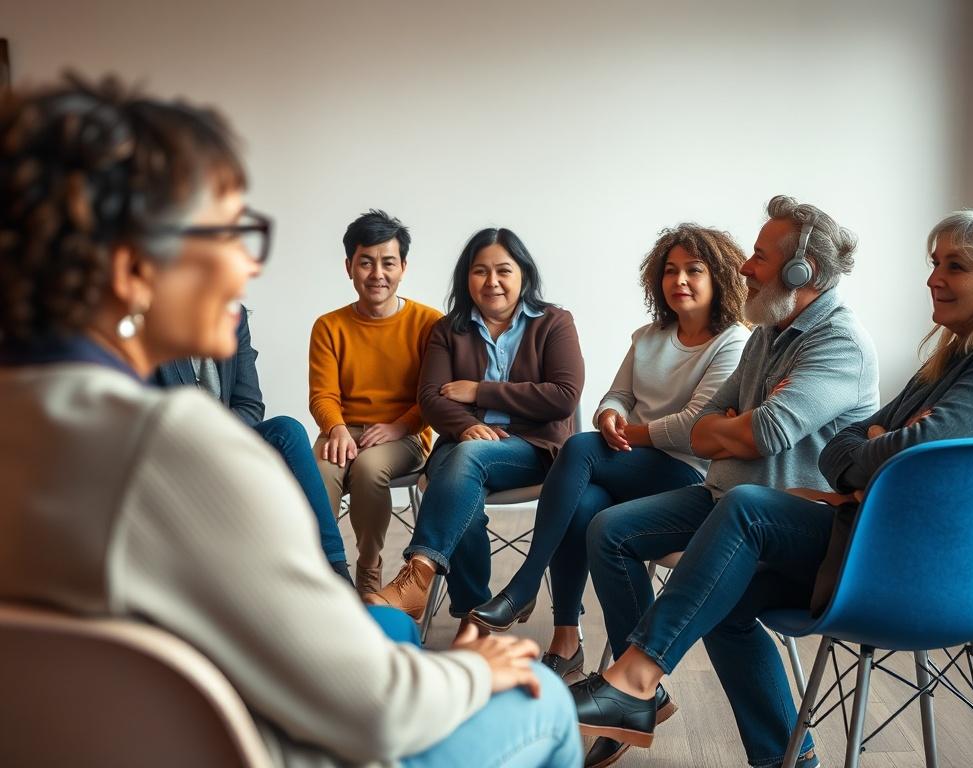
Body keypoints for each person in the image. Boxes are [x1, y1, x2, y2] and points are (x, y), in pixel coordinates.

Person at [0, 75, 581, 768]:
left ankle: (393, 596)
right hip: (284, 743)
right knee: (541, 696)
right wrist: (477, 671)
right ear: (133, 267)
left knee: (384, 625)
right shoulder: (170, 446)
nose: (249, 265)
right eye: (230, 232)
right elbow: (373, 711)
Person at [574, 195, 880, 768]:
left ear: (800, 271)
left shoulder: (837, 343)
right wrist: (732, 426)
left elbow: (762, 433)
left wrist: (734, 425)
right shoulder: (769, 331)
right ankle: (640, 694)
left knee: (730, 572)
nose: (744, 267)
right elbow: (702, 428)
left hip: (790, 517)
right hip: (722, 498)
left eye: (759, 257)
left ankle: (772, 751)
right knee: (607, 530)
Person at [468, 224, 751, 681]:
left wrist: (630, 433)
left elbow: (695, 428)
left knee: (579, 448)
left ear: (718, 277)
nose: (679, 280)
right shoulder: (649, 336)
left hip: (688, 476)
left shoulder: (733, 341)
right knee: (584, 503)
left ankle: (524, 584)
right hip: (630, 461)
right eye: (670, 271)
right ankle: (580, 646)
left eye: (694, 271)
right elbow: (615, 395)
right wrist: (608, 419)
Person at [366, 228, 585, 627]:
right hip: (463, 447)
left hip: (534, 448)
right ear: (466, 278)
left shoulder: (554, 322)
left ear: (524, 274)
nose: (492, 282)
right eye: (480, 271)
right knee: (464, 484)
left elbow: (563, 396)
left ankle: (418, 578)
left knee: (465, 461)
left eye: (503, 270)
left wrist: (480, 391)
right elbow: (431, 398)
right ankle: (475, 615)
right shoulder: (449, 330)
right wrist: (467, 426)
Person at [155, 309, 353, 584]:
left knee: (288, 430)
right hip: (178, 448)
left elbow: (250, 404)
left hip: (227, 437)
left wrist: (219, 435)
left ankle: (336, 571)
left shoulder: (232, 317)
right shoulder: (151, 323)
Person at [309, 210, 442, 595]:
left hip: (405, 434)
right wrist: (335, 429)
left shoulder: (429, 322)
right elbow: (322, 394)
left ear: (403, 267)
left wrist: (401, 426)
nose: (376, 274)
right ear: (349, 266)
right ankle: (320, 573)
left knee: (368, 469)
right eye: (365, 262)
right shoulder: (329, 326)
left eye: (387, 263)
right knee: (319, 472)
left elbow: (432, 394)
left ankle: (369, 567)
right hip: (342, 429)